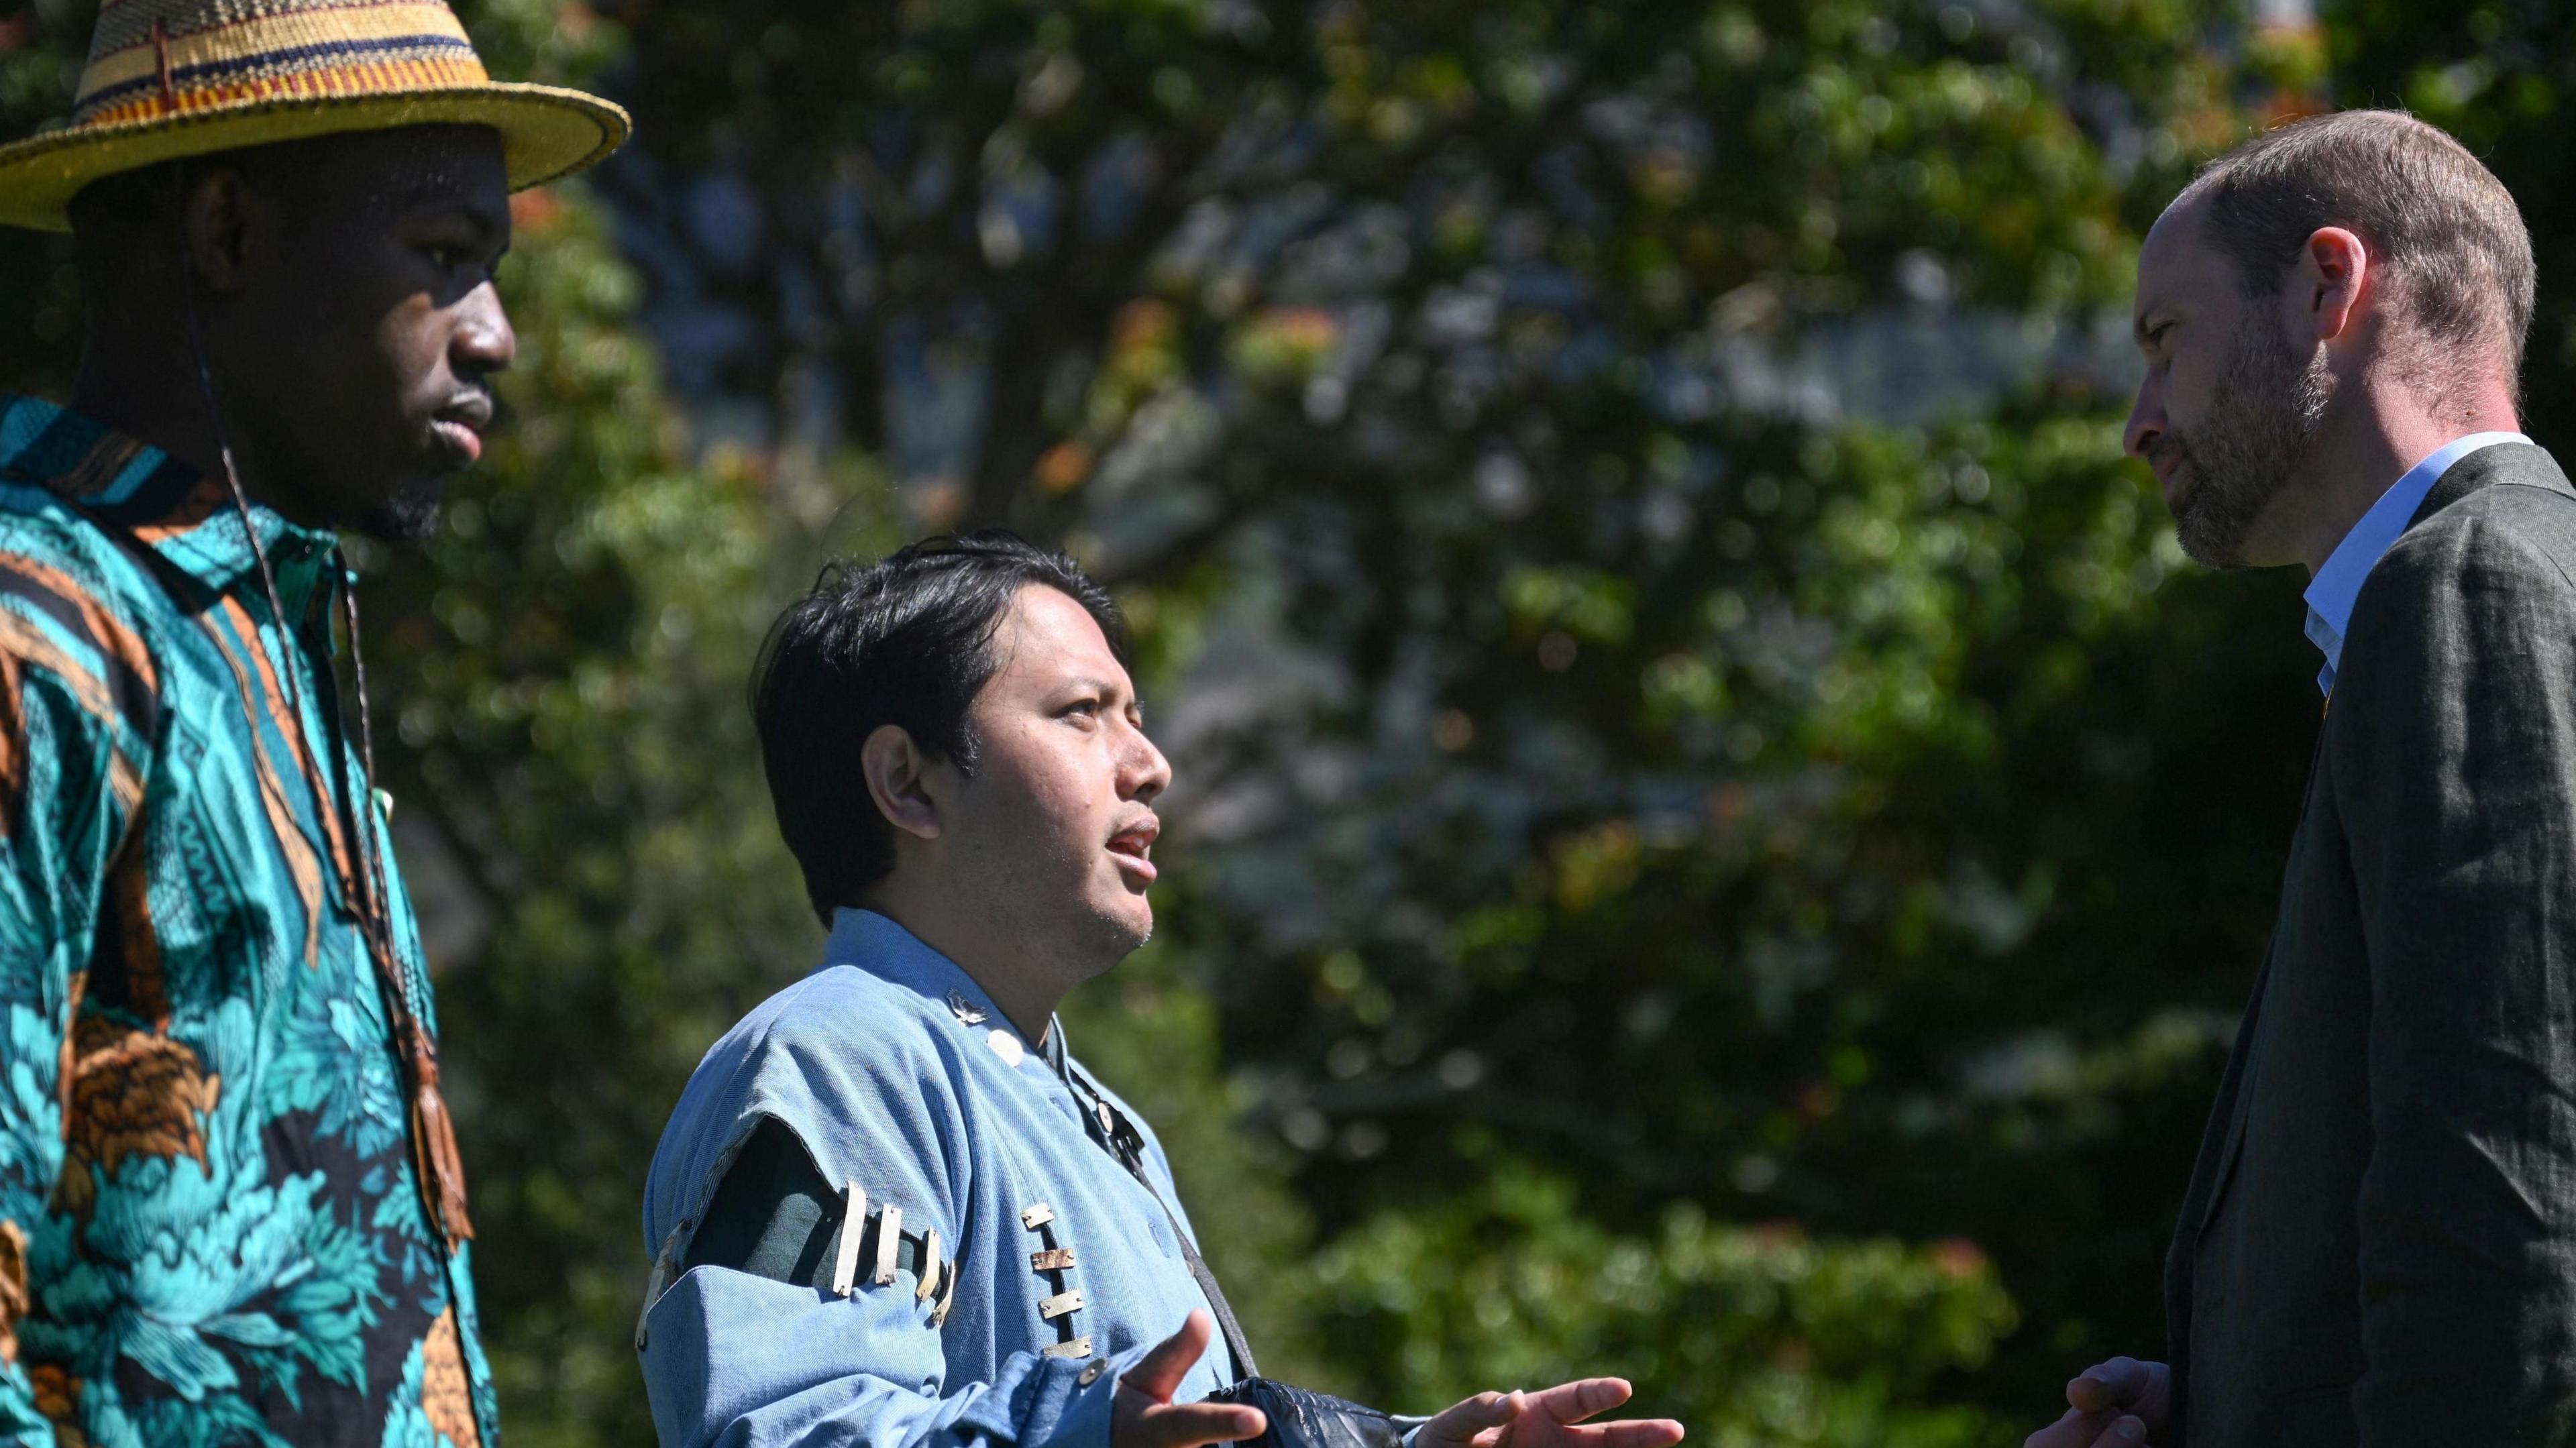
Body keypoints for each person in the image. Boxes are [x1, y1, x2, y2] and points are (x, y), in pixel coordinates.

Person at [637, 534, 1686, 1448]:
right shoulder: (839, 1056)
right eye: (1082, 713)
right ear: (908, 782)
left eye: (1134, 716)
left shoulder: (1099, 1118)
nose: (1150, 763)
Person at [0, 3, 627, 1443]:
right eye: (444, 260)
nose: (499, 338)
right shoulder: (37, 640)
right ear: (226, 235)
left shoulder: (265, 633)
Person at [2025, 110, 2576, 1448]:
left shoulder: (2470, 584)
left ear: (2331, 284)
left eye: (2168, 343)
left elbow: (2506, 1208)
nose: (2138, 425)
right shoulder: (2479, 580)